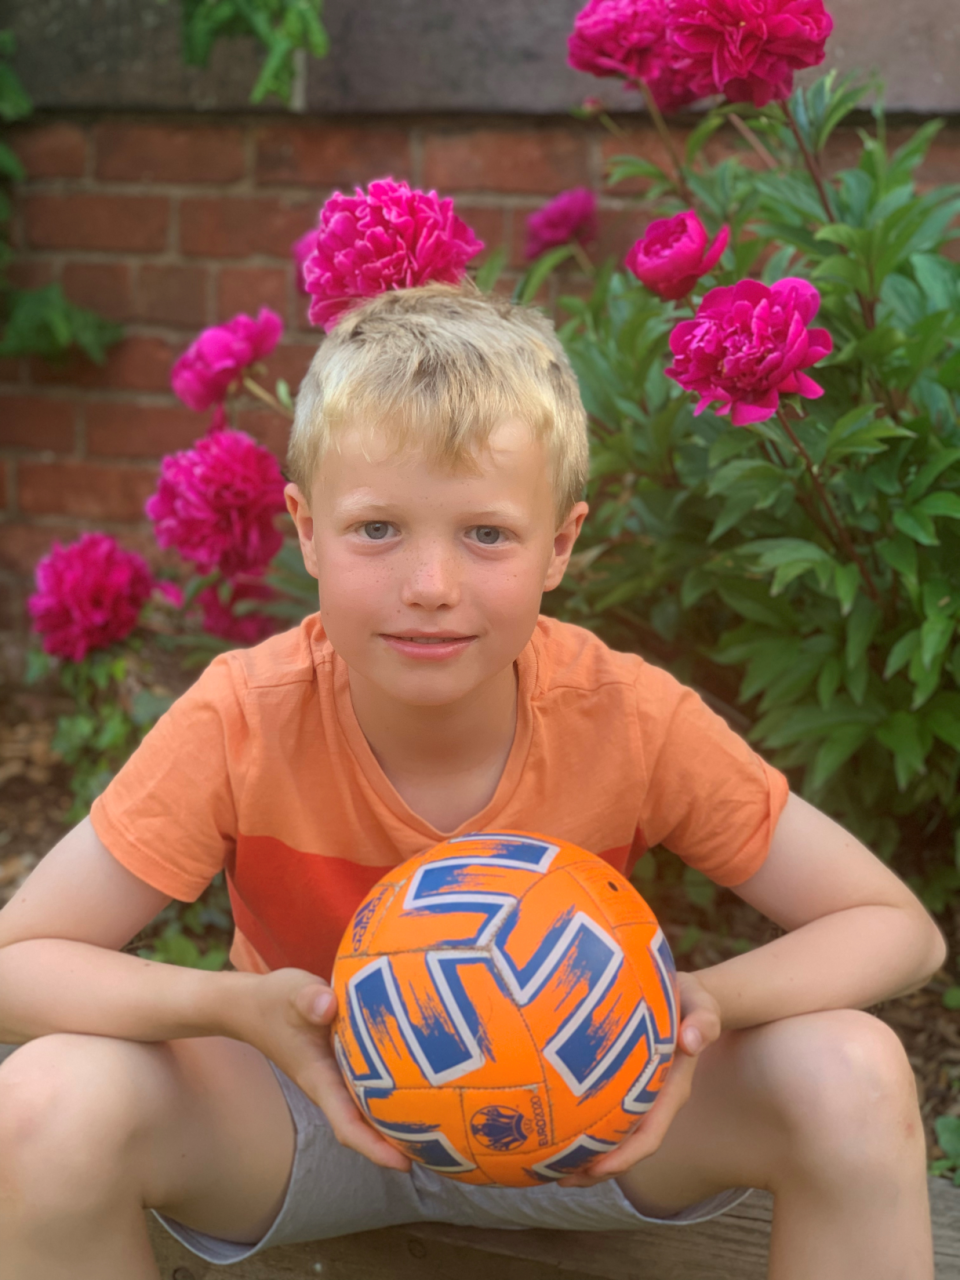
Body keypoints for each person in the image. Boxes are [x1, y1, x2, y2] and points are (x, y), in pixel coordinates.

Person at [0, 282, 945, 1280]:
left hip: (594, 1113)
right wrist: (234, 1009)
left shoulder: (623, 711)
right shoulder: (245, 714)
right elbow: (19, 960)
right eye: (378, 529)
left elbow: (897, 928)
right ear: (306, 528)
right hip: (311, 1111)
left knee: (853, 1067)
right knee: (45, 1100)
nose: (431, 584)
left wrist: (691, 1005)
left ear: (561, 545)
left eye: (486, 534)